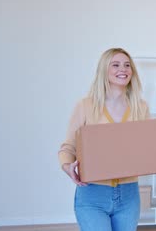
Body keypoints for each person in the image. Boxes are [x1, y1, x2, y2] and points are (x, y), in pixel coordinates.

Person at [58, 47, 150, 231]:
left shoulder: (141, 107)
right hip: (92, 193)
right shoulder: (85, 106)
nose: (122, 69)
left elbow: (146, 148)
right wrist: (67, 167)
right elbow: (68, 148)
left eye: (127, 65)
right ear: (104, 71)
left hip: (129, 194)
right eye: (115, 65)